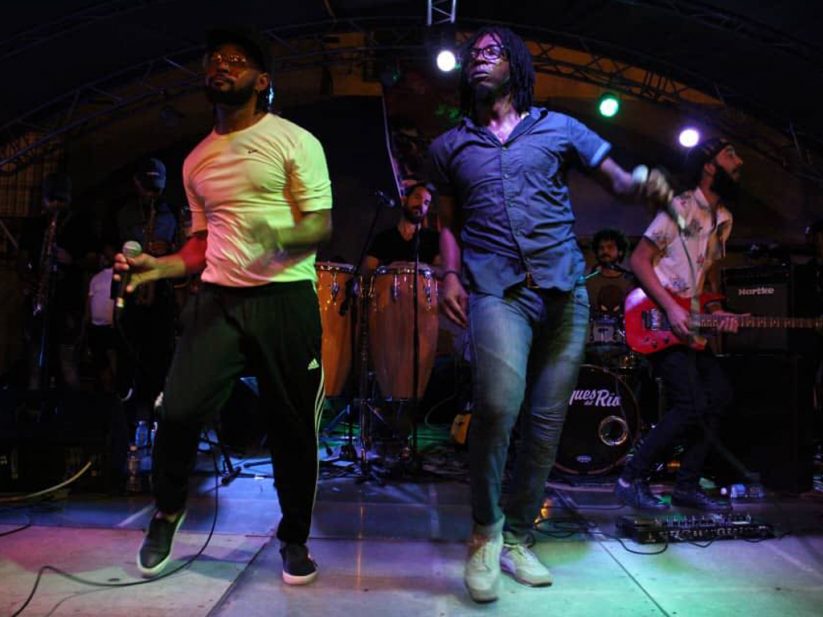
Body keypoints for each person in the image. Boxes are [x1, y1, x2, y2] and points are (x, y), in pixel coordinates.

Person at [427, 26, 671, 603]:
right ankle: (484, 533)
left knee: (545, 424)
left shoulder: (558, 128)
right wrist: (450, 275)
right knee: (496, 406)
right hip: (497, 290)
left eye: (491, 52)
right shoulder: (449, 146)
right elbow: (446, 222)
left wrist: (643, 183)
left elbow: (616, 178)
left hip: (564, 290)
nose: (479, 59)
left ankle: (517, 536)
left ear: (515, 65)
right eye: (472, 54)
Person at [115, 26, 332, 585]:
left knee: (293, 428)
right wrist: (160, 266)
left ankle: (294, 538)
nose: (221, 65)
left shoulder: (295, 141)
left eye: (236, 60)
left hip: (285, 300)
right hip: (217, 301)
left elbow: (320, 225)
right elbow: (201, 243)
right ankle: (167, 512)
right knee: (178, 410)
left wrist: (280, 237)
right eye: (214, 59)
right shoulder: (196, 161)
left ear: (261, 81)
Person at [614, 137, 744, 512]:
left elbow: (706, 277)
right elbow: (640, 260)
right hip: (657, 318)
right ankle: (630, 478)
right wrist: (671, 308)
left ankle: (686, 485)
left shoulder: (724, 220)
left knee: (718, 395)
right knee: (690, 403)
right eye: (730, 154)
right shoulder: (681, 207)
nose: (739, 161)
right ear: (709, 166)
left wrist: (716, 311)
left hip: (690, 321)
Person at [115, 158, 179, 423]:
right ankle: (127, 422)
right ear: (136, 184)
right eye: (147, 187)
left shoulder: (172, 212)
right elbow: (112, 248)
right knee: (128, 358)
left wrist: (170, 250)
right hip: (132, 289)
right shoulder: (124, 212)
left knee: (159, 359)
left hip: (161, 291)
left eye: (156, 188)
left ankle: (155, 418)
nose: (152, 194)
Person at [19, 172, 95, 394]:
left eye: (60, 200)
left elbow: (94, 259)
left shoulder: (80, 224)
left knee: (67, 361)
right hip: (38, 299)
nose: (56, 205)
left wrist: (72, 260)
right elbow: (22, 260)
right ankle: (33, 405)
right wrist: (30, 279)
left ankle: (70, 410)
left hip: (68, 300)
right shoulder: (34, 225)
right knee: (34, 360)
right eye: (51, 199)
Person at [362, 182, 441, 274]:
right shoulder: (383, 238)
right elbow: (367, 271)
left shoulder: (434, 238)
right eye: (417, 197)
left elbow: (442, 270)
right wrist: (389, 269)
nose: (421, 205)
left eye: (426, 203)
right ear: (404, 200)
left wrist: (423, 267)